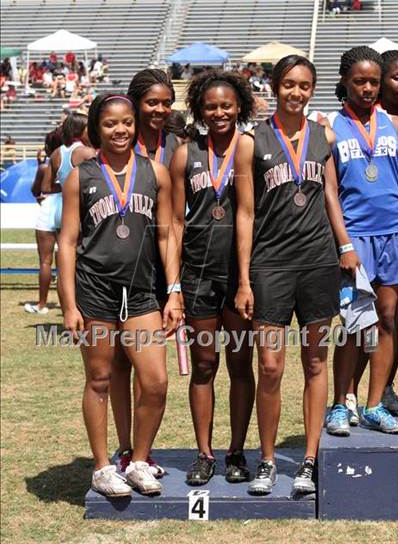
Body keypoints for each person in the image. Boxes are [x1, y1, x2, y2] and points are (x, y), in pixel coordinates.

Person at [234, 55, 353, 495]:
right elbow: (245, 213)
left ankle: (308, 459)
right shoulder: (252, 141)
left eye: (304, 85)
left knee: (316, 361)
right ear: (273, 86)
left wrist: (344, 246)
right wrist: (245, 278)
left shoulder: (323, 135)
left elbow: (331, 197)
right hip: (270, 265)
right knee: (269, 366)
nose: (296, 93)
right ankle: (266, 459)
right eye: (288, 84)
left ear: (312, 89)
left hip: (318, 262)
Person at [58, 92, 183, 496]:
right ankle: (101, 467)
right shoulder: (82, 176)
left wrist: (174, 291)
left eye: (127, 122)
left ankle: (139, 461)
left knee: (156, 381)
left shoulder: (156, 172)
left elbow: (167, 236)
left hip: (143, 292)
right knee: (98, 378)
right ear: (97, 128)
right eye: (111, 123)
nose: (121, 130)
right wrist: (68, 304)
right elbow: (68, 241)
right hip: (95, 290)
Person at [325, 46, 398, 437]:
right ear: (345, 82)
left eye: (373, 82)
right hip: (356, 237)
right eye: (360, 81)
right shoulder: (330, 127)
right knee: (352, 324)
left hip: (395, 233)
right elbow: (330, 190)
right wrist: (344, 244)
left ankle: (374, 403)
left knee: (386, 319)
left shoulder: (396, 126)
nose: (367, 88)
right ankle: (339, 404)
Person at [170, 69, 256, 486]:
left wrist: (245, 280)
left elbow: (250, 213)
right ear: (199, 110)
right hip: (198, 276)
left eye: (226, 105)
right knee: (205, 365)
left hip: (239, 275)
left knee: (241, 363)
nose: (219, 112)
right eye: (211, 106)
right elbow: (172, 223)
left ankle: (236, 450)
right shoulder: (187, 154)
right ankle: (204, 453)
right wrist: (174, 285)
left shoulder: (252, 148)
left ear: (239, 105)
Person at [108, 69, 183, 478]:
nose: (160, 109)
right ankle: (123, 447)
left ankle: (142, 451)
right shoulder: (118, 141)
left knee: (151, 366)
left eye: (166, 102)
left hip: (163, 265)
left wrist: (175, 281)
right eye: (152, 102)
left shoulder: (176, 144)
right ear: (137, 102)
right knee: (120, 362)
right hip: (120, 266)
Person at [42, 112, 94, 232]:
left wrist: (66, 187)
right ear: (79, 129)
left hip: (61, 210)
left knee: (64, 249)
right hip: (81, 211)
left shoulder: (56, 153)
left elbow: (46, 187)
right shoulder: (87, 152)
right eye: (88, 127)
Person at [24, 143, 60, 314]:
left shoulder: (45, 167)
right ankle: (70, 306)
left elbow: (35, 190)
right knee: (69, 262)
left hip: (48, 210)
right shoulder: (76, 160)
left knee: (45, 261)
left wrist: (40, 166)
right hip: (68, 210)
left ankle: (42, 305)